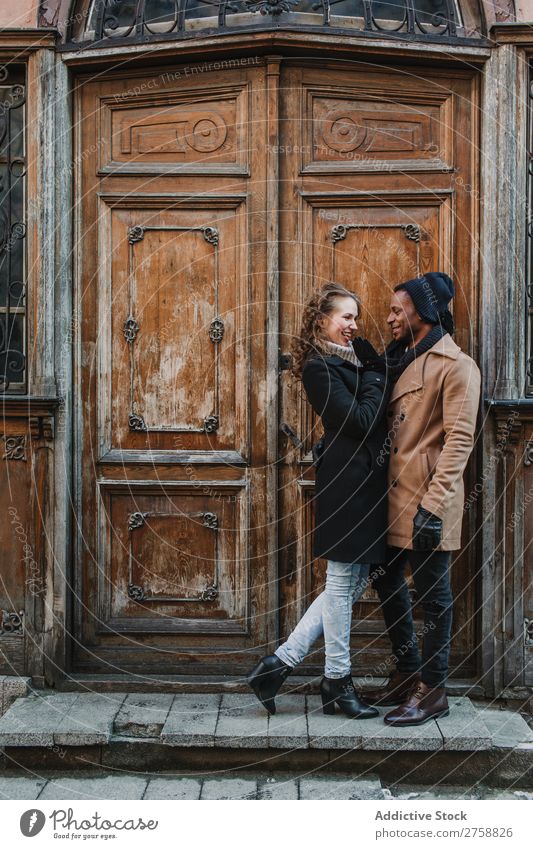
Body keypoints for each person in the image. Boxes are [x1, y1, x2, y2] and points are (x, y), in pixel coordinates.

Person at [246, 283, 390, 718]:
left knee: (349, 583)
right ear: (320, 320)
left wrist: (370, 367)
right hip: (347, 486)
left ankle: (279, 664)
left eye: (355, 317)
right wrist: (378, 372)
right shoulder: (319, 369)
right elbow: (362, 420)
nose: (354, 325)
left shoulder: (351, 364)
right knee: (344, 583)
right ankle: (338, 681)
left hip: (367, 484)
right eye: (345, 316)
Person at [355, 272, 481, 727]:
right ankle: (408, 673)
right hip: (390, 498)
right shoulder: (400, 358)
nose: (388, 317)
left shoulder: (456, 365)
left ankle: (433, 691)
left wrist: (433, 503)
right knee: (387, 581)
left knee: (434, 596)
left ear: (422, 313)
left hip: (428, 497)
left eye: (396, 310)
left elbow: (460, 439)